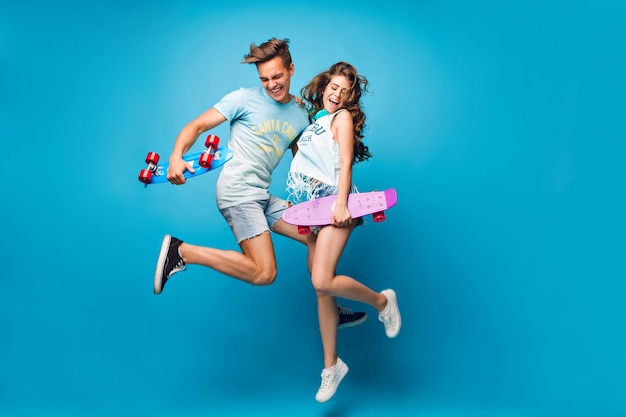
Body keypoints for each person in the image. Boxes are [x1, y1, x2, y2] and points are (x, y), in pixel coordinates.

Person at [153, 38, 366, 329]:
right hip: (238, 194)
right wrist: (176, 156)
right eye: (264, 79)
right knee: (264, 273)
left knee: (315, 236)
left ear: (291, 69)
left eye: (277, 76)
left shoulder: (300, 113)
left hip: (261, 197)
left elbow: (307, 159)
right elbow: (196, 126)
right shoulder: (242, 99)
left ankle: (329, 304)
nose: (271, 84)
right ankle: (182, 251)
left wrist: (333, 191)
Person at [285, 62, 402, 402]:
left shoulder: (341, 119)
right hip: (311, 206)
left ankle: (383, 302)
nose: (336, 94)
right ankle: (331, 367)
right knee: (321, 286)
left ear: (350, 98)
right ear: (323, 88)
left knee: (321, 281)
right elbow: (304, 162)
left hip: (336, 204)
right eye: (332, 87)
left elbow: (345, 161)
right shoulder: (314, 124)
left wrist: (341, 204)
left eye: (344, 91)